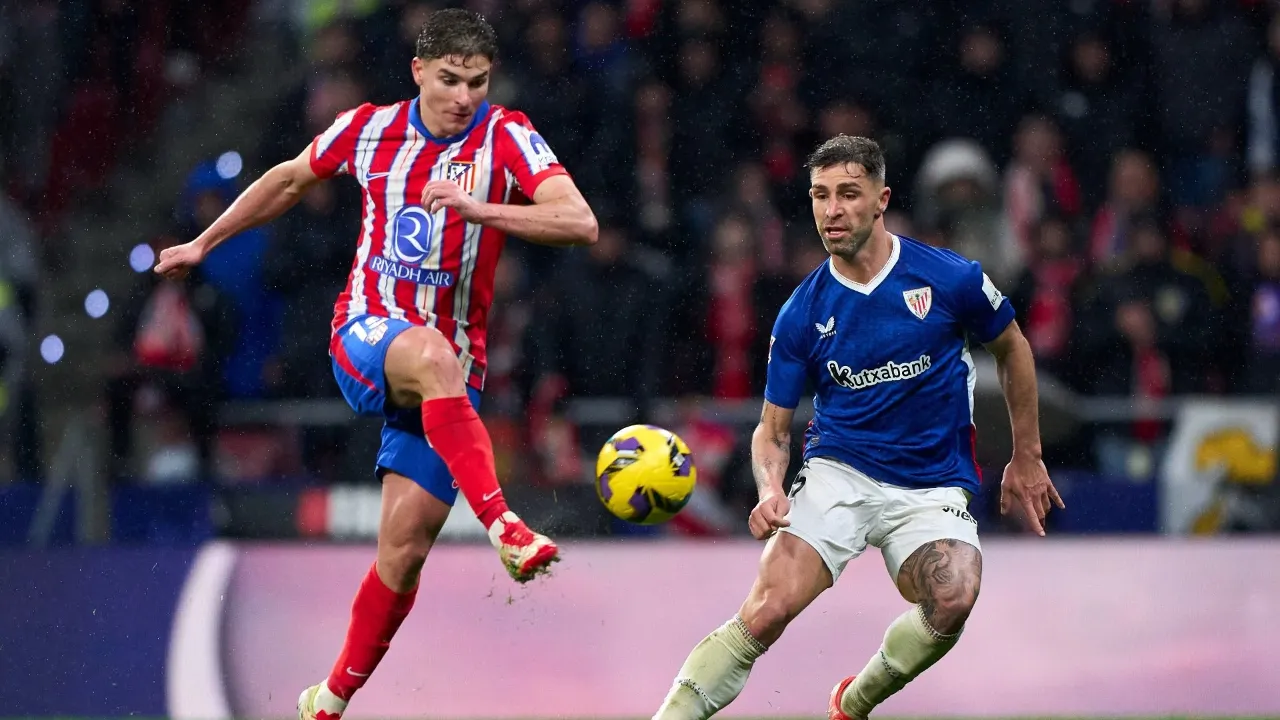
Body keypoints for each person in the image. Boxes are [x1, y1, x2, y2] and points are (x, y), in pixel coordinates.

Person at [152, 9, 598, 720]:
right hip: (367, 331)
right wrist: (204, 242)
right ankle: (505, 526)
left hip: (451, 375)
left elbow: (579, 222)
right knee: (429, 351)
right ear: (418, 72)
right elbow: (289, 180)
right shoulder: (367, 128)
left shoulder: (507, 135)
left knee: (404, 551)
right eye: (449, 80)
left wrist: (482, 210)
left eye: (477, 82)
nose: (464, 97)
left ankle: (328, 700)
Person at [650, 135, 1064, 720]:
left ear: (881, 200)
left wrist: (1028, 454)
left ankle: (854, 702)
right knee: (766, 611)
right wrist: (770, 489)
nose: (832, 209)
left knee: (953, 595)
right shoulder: (801, 312)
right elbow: (772, 430)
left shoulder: (948, 279)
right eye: (820, 195)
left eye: (848, 193)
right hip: (838, 474)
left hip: (931, 484)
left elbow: (1013, 347)